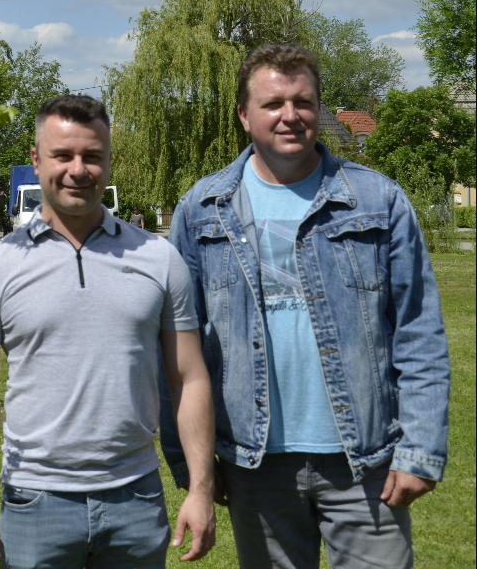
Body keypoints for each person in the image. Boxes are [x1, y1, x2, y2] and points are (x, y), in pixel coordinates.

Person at [163, 43, 450, 569]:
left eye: (304, 101)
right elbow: (178, 352)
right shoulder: (201, 209)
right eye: (273, 103)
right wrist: (194, 468)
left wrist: (421, 448)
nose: (290, 115)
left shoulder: (377, 201)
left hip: (364, 461)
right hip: (254, 464)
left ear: (319, 110)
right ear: (244, 116)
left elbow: (418, 330)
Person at [0, 94, 216, 569]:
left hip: (135, 500)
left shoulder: (159, 260)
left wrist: (200, 490)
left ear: (109, 159)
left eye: (92, 156)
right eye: (63, 155)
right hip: (35, 502)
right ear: (35, 160)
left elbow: (189, 377)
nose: (78, 169)